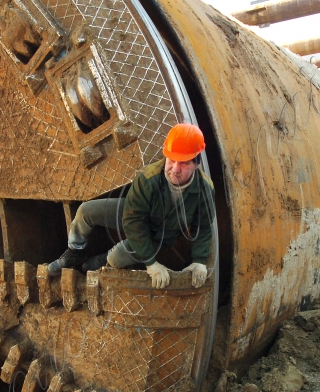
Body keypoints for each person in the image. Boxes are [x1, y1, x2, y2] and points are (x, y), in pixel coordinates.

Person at [47, 123, 215, 289]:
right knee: (85, 211)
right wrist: (151, 263)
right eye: (171, 160)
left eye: (184, 163)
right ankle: (75, 252)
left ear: (196, 163)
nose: (175, 169)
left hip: (161, 235)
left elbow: (204, 227)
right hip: (136, 214)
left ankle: (103, 259)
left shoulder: (204, 189)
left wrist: (199, 261)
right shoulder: (148, 179)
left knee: (116, 258)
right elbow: (133, 220)